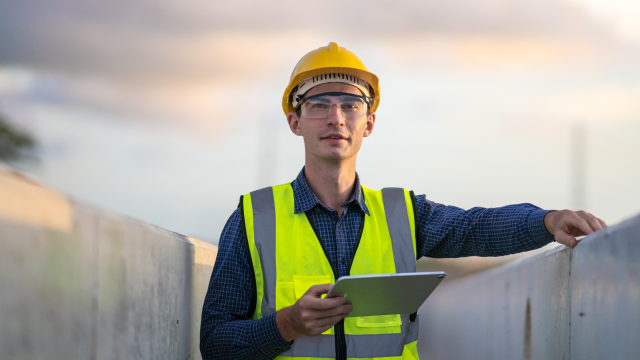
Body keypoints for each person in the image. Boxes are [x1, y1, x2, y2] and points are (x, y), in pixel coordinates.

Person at [199, 42, 607, 360]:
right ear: (295, 122)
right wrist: (285, 324)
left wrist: (547, 221)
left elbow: (474, 228)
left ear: (368, 123)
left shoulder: (402, 214)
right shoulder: (253, 219)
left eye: (350, 105)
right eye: (319, 105)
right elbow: (215, 344)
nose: (336, 118)